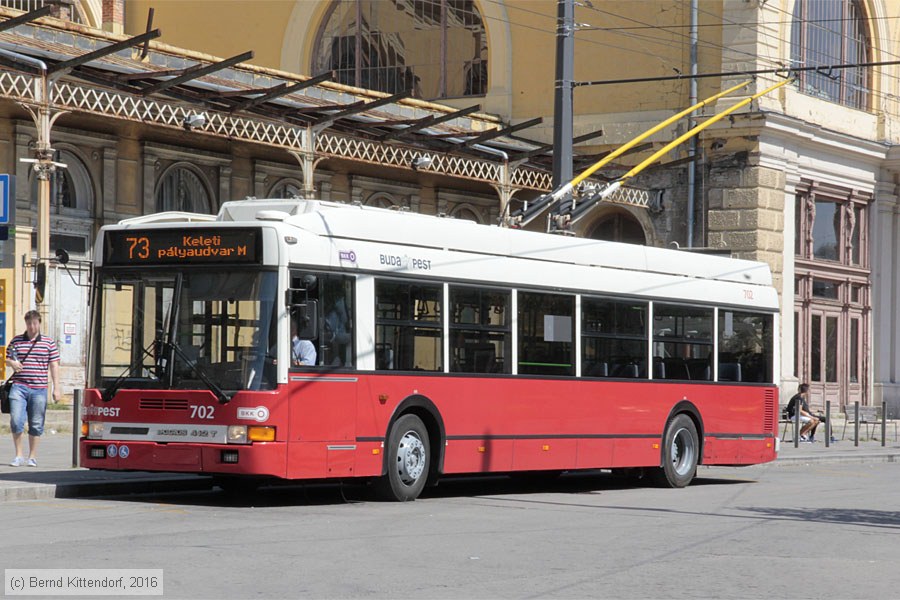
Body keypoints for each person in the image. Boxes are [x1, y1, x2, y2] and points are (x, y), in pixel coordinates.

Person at [6, 310, 61, 467]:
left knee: (36, 423)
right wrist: (12, 363)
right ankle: (18, 455)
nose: (32, 326)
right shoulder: (16, 341)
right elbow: (8, 358)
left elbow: (54, 365)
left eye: (34, 323)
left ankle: (32, 456)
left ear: (39, 323)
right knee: (16, 420)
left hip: (39, 388)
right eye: (29, 323)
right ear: (26, 324)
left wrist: (56, 388)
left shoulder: (48, 343)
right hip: (19, 387)